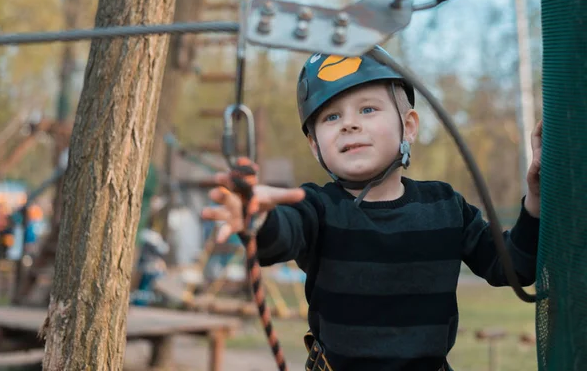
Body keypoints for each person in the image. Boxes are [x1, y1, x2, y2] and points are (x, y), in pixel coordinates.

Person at [200, 46, 542, 371]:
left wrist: (535, 203)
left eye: (367, 109)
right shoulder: (317, 207)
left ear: (408, 126)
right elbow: (284, 233)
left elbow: (512, 268)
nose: (349, 124)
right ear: (315, 145)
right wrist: (259, 220)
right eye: (332, 116)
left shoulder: (445, 206)